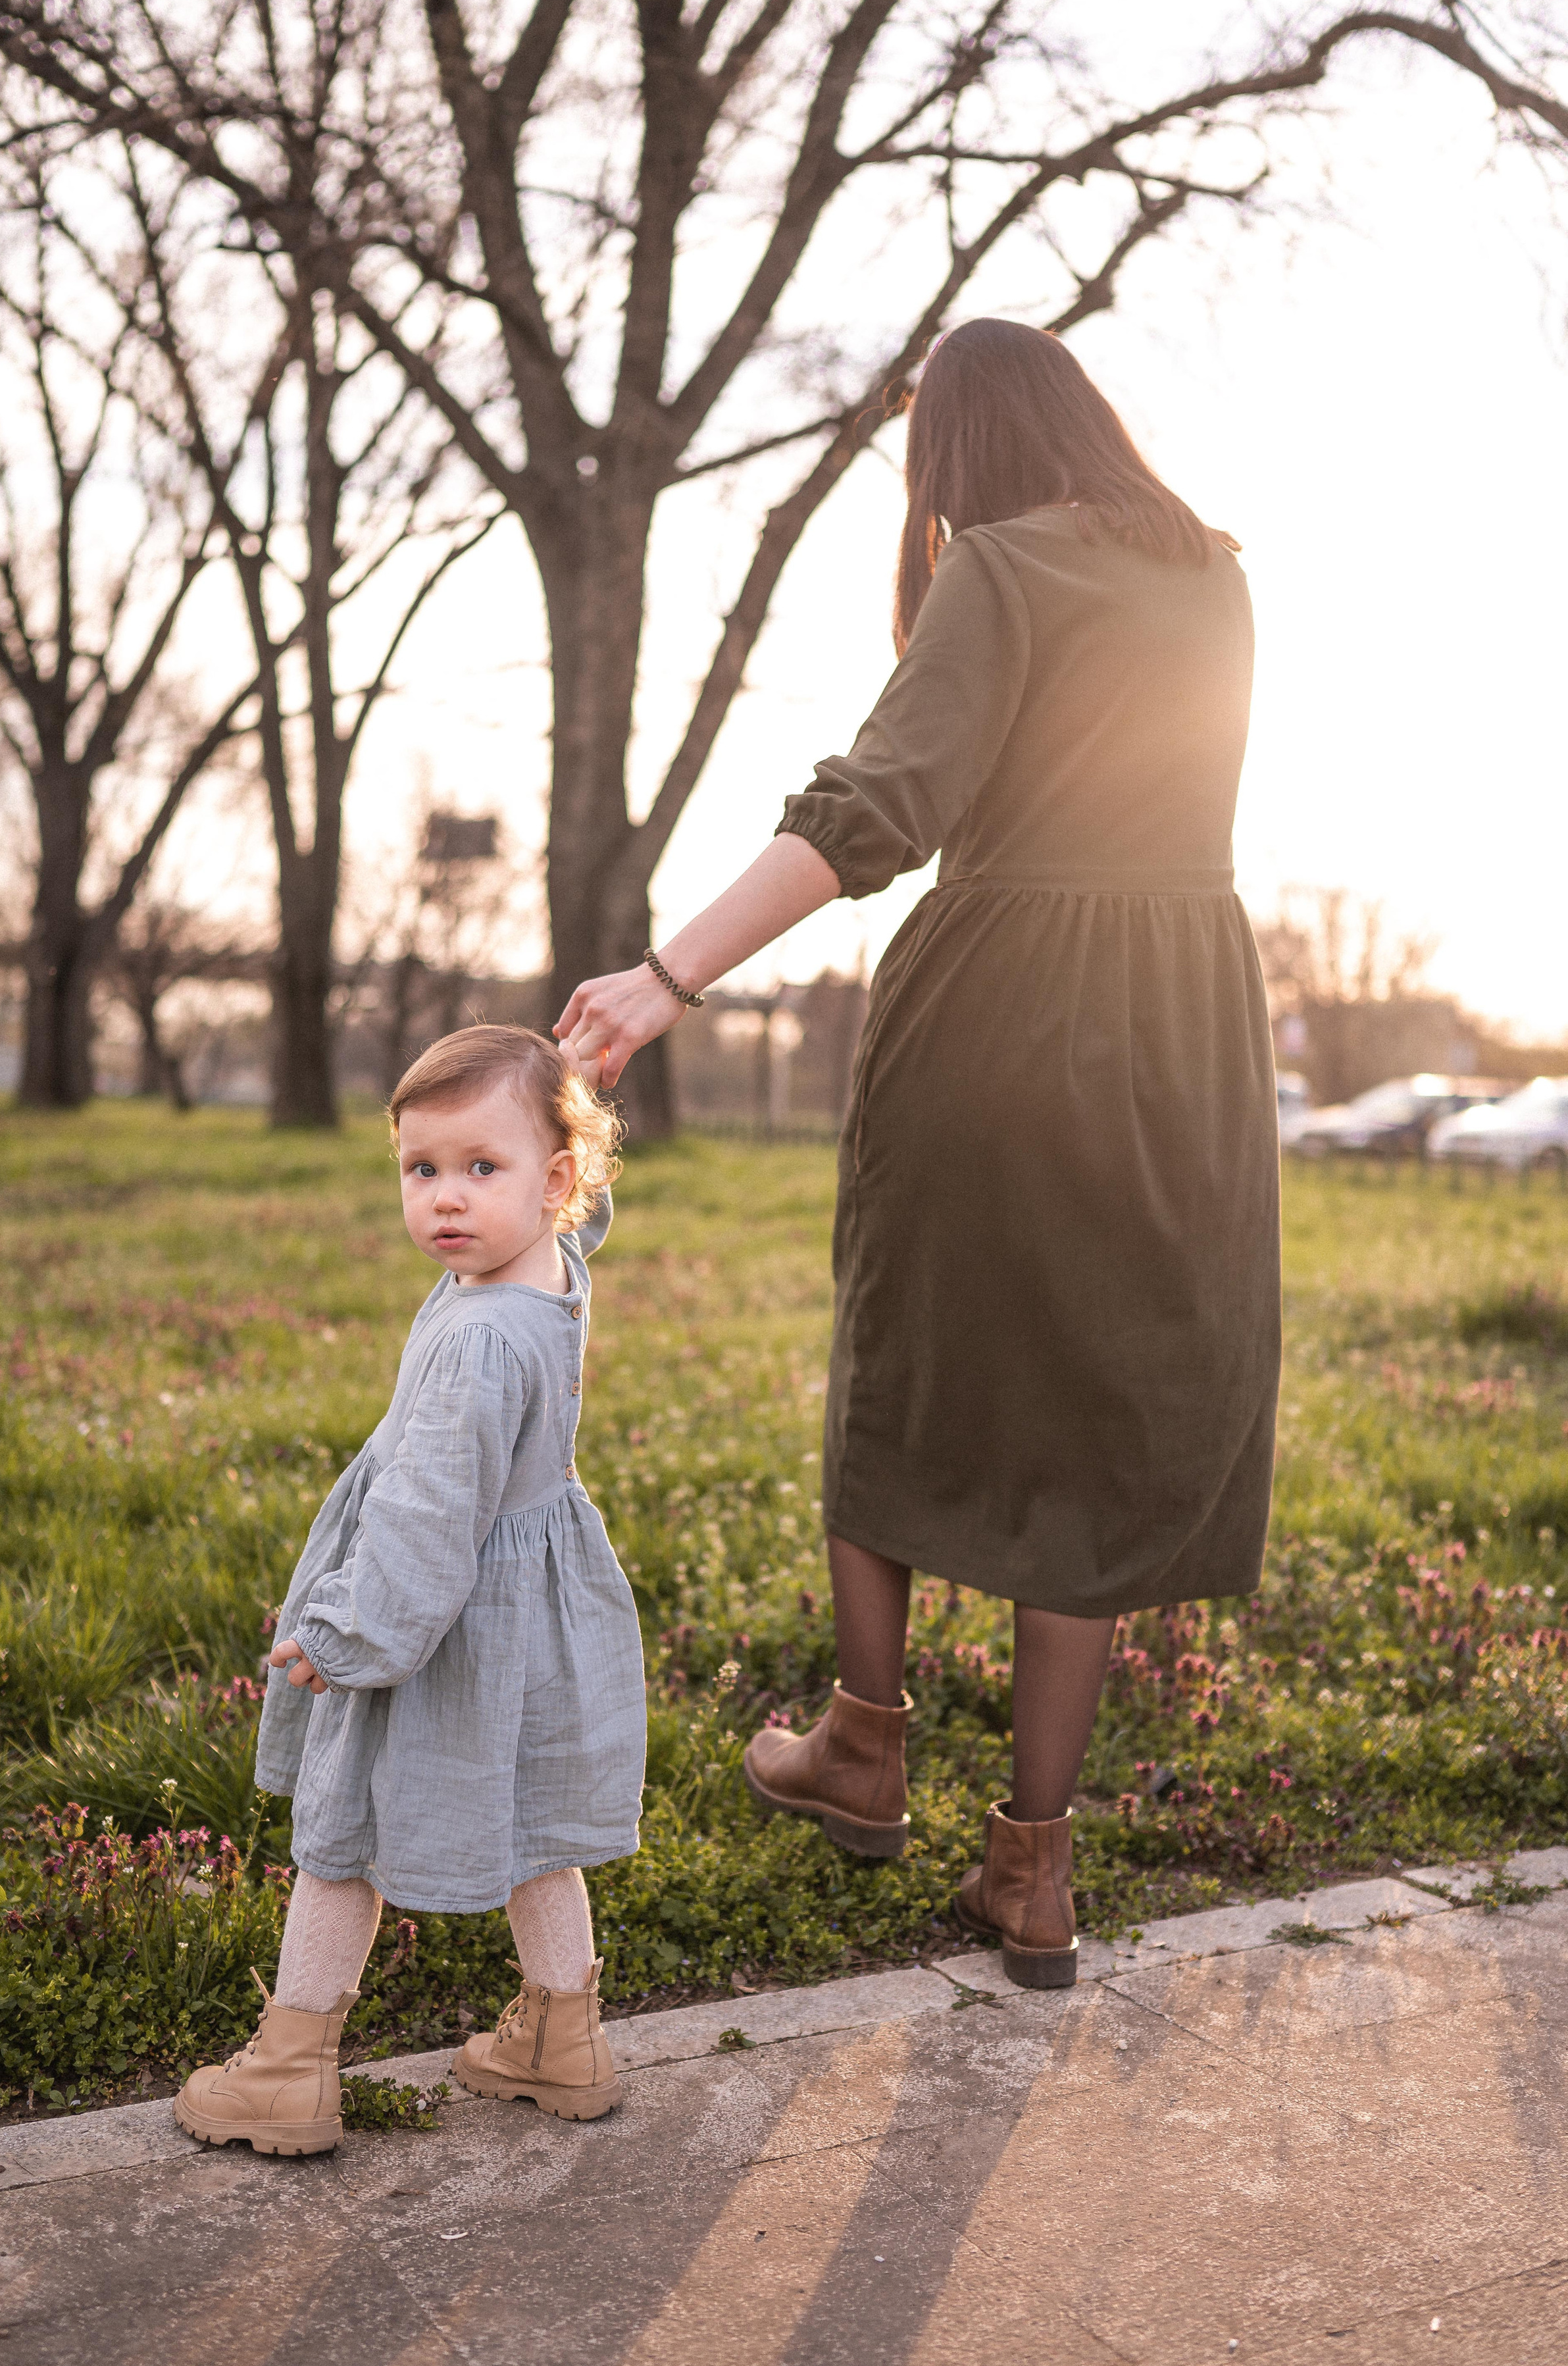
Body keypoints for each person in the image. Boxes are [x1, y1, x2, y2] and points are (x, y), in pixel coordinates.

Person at [557, 317, 1281, 1993]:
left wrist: (668, 974)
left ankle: (864, 1745)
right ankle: (1034, 1870)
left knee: (900, 1355)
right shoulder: (1214, 579)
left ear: (956, 451)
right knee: (1100, 1397)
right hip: (1181, 1029)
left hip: (999, 1009)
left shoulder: (1001, 569)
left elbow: (876, 807)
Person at [174, 1027, 645, 2153]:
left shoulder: (478, 1338)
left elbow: (429, 1519)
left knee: (344, 1832)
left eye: (483, 1169)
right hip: (530, 1617)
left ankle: (290, 2067)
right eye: (421, 1169)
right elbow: (574, 1214)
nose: (446, 1200)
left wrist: (345, 1632)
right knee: (537, 1821)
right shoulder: (549, 1276)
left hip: (436, 1625)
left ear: (556, 1181)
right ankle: (562, 2039)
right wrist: (550, 1108)